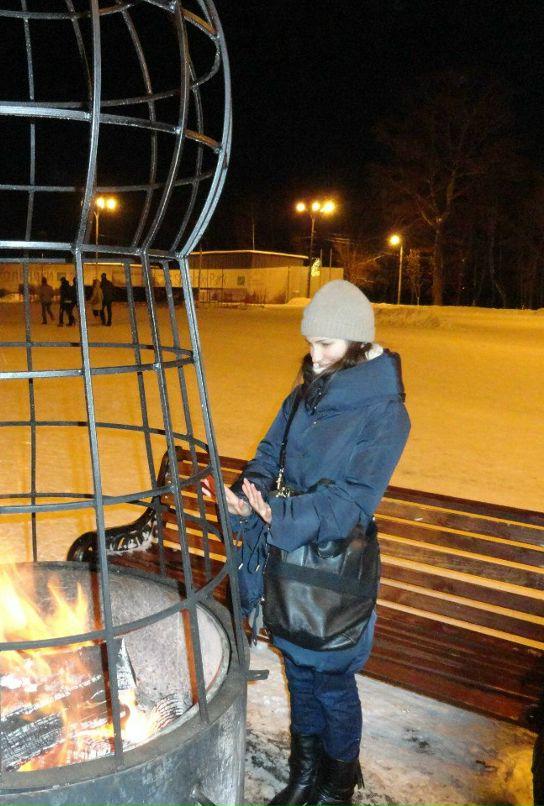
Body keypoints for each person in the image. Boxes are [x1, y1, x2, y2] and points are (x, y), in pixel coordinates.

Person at [222, 280, 410, 806]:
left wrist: (280, 514)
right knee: (298, 672)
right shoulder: (308, 391)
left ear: (356, 342)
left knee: (330, 682)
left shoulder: (385, 412)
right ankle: (304, 775)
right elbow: (268, 451)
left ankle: (337, 785)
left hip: (333, 568)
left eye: (326, 344)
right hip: (287, 556)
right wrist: (247, 495)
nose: (314, 354)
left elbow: (353, 501)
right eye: (311, 342)